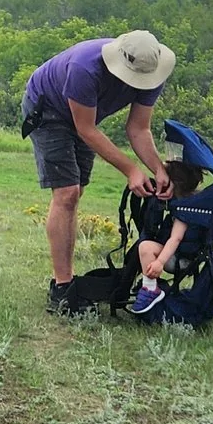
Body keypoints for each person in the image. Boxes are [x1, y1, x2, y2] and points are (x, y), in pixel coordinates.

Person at [24, 30, 177, 315]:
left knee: (75, 193)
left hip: (85, 119)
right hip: (48, 110)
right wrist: (131, 170)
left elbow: (138, 128)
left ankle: (66, 278)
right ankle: (62, 288)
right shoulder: (84, 68)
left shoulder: (152, 69)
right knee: (67, 193)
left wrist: (159, 169)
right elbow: (86, 129)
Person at [129, 159, 208, 315]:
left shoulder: (184, 209)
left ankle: (151, 289)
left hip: (180, 259)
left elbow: (175, 239)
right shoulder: (198, 200)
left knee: (145, 247)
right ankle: (149, 288)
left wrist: (159, 262)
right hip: (192, 254)